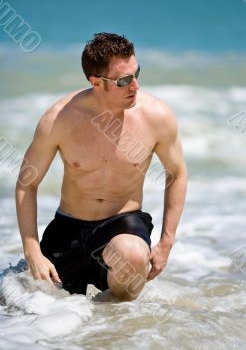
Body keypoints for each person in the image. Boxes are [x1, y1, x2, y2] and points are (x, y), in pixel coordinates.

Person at [16, 32, 187, 301]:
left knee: (131, 259)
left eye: (137, 73)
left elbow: (176, 173)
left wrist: (166, 242)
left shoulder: (156, 117)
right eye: (124, 81)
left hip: (123, 224)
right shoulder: (59, 118)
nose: (136, 86)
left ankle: (112, 331)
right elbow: (28, 182)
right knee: (29, 301)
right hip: (69, 227)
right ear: (96, 82)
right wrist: (32, 251)